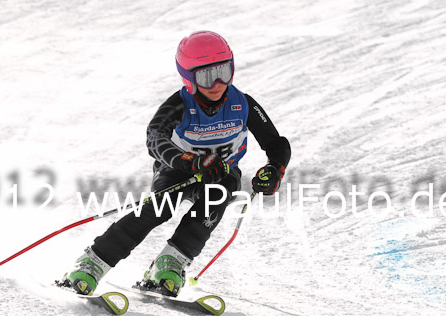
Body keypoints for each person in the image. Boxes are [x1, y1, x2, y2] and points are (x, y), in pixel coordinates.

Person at [58, 31, 291, 297]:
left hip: (221, 173)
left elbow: (277, 145)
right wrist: (190, 161)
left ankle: (170, 263)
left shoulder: (243, 104)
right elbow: (154, 138)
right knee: (158, 209)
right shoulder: (180, 105)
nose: (216, 83)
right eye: (205, 76)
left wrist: (274, 170)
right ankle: (93, 262)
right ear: (189, 78)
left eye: (224, 72)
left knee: (214, 203)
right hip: (179, 170)